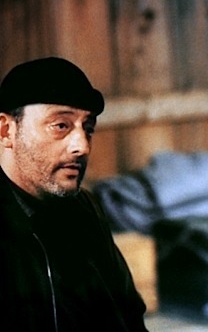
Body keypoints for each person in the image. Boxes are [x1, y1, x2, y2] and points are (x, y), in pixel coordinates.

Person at [0, 57, 148, 331]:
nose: (82, 146)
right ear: (6, 130)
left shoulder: (85, 210)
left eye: (88, 129)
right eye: (61, 126)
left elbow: (128, 316)